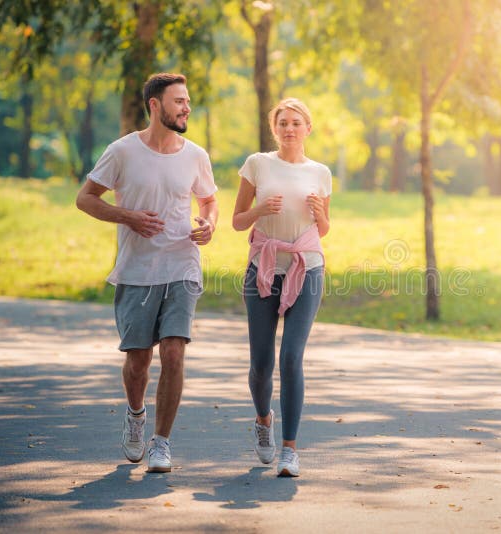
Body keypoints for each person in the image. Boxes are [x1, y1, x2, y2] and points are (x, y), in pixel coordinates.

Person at [76, 73, 218, 473]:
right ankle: (136, 414)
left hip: (182, 264)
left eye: (188, 101)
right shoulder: (122, 152)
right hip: (137, 269)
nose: (186, 107)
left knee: (173, 351)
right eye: (178, 101)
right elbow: (84, 198)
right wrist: (128, 217)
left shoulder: (196, 155)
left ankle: (162, 441)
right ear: (155, 106)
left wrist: (209, 223)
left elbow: (208, 200)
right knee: (139, 361)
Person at [232, 97, 331, 477]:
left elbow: (323, 229)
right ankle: (263, 420)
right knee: (261, 363)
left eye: (296, 122)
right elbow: (239, 221)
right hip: (264, 268)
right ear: (275, 129)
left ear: (308, 128)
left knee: (291, 358)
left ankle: (290, 449)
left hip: (307, 268)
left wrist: (322, 216)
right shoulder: (258, 164)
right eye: (283, 123)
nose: (289, 128)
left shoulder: (321, 172)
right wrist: (261, 210)